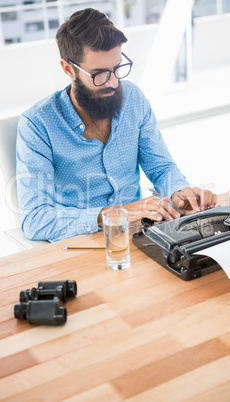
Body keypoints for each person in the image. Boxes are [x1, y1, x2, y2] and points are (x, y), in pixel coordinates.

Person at [16, 8, 217, 243]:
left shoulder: (133, 98)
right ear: (68, 69)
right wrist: (116, 214)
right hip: (77, 244)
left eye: (117, 68)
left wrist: (179, 193)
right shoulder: (37, 124)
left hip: (138, 235)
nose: (113, 82)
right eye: (99, 74)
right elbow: (36, 219)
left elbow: (162, 168)